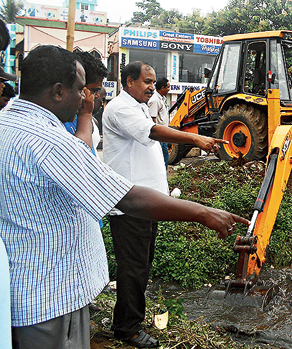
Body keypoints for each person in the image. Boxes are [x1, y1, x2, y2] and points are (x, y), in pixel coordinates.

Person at [1, 46, 248, 349]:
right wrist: (203, 212)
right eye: (82, 90)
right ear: (57, 91)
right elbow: (127, 198)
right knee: (132, 270)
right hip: (49, 296)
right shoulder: (51, 141)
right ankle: (127, 326)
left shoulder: (8, 123)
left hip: (25, 287)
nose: (87, 99)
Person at [103, 61, 245, 347]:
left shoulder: (141, 105)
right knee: (133, 268)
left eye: (153, 82)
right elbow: (153, 132)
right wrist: (195, 138)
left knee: (141, 265)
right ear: (128, 82)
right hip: (131, 205)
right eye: (146, 81)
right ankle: (127, 329)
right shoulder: (120, 108)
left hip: (148, 204)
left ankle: (127, 321)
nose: (151, 87)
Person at [148, 76, 171, 167]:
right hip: (159, 136)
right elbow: (152, 119)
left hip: (163, 134)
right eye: (168, 87)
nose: (169, 89)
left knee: (165, 157)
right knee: (163, 158)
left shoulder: (162, 99)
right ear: (162, 88)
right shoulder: (155, 100)